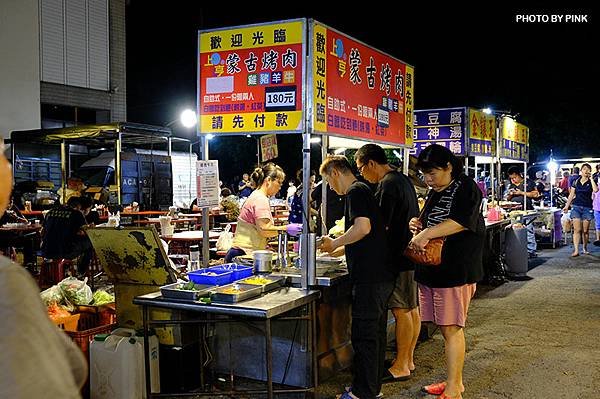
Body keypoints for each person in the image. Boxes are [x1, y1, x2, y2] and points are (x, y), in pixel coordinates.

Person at [0, 143, 88, 397]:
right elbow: (74, 367)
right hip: (62, 254)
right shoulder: (7, 282)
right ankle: (82, 271)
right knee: (89, 243)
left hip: (46, 252)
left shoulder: (52, 212)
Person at [408, 144, 484, 399]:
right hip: (434, 269)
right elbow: (432, 222)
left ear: (449, 166)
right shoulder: (436, 191)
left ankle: (453, 390)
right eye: (425, 175)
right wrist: (418, 224)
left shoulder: (466, 187)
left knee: (452, 328)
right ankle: (455, 382)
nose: (429, 180)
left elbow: (462, 222)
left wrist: (427, 232)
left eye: (433, 173)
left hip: (455, 269)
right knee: (444, 327)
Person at [319, 155, 394, 399]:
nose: (331, 188)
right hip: (381, 274)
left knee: (364, 337)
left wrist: (335, 242)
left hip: (370, 277)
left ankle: (363, 393)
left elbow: (363, 228)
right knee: (375, 335)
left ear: (335, 173)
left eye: (329, 182)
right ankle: (372, 389)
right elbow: (363, 235)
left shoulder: (354, 192)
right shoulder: (365, 189)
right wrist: (336, 248)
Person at [354, 144, 420, 382]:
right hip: (410, 254)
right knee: (411, 309)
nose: (362, 174)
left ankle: (402, 364)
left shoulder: (387, 184)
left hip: (399, 256)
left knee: (402, 310)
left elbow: (380, 225)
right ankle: (408, 359)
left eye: (361, 169)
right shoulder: (402, 179)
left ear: (371, 163)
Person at [224, 163, 301, 262]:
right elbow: (264, 229)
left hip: (242, 252)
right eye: (279, 183)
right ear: (268, 180)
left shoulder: (258, 196)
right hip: (243, 255)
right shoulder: (260, 199)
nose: (280, 187)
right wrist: (286, 229)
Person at [41, 196, 94, 275]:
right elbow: (85, 231)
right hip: (65, 251)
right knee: (90, 243)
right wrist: (90, 227)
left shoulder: (50, 212)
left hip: (45, 250)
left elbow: (42, 231)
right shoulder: (76, 214)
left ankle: (64, 269)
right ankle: (81, 272)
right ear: (79, 206)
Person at [563, 163, 598, 256]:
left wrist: (590, 179)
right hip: (576, 207)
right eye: (584, 169)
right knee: (577, 229)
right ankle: (576, 250)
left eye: (588, 169)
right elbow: (571, 195)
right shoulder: (576, 181)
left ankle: (585, 248)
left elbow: (595, 190)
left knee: (585, 230)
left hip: (587, 207)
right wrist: (567, 206)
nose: (586, 171)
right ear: (581, 171)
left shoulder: (591, 181)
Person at [506, 166, 539, 257]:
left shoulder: (529, 182)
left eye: (514, 177)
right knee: (515, 231)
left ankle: (531, 251)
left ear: (519, 175)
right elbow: (507, 198)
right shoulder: (510, 185)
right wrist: (510, 195)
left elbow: (536, 194)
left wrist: (521, 193)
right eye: (511, 178)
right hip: (514, 212)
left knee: (528, 230)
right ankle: (518, 250)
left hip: (527, 210)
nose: (513, 180)